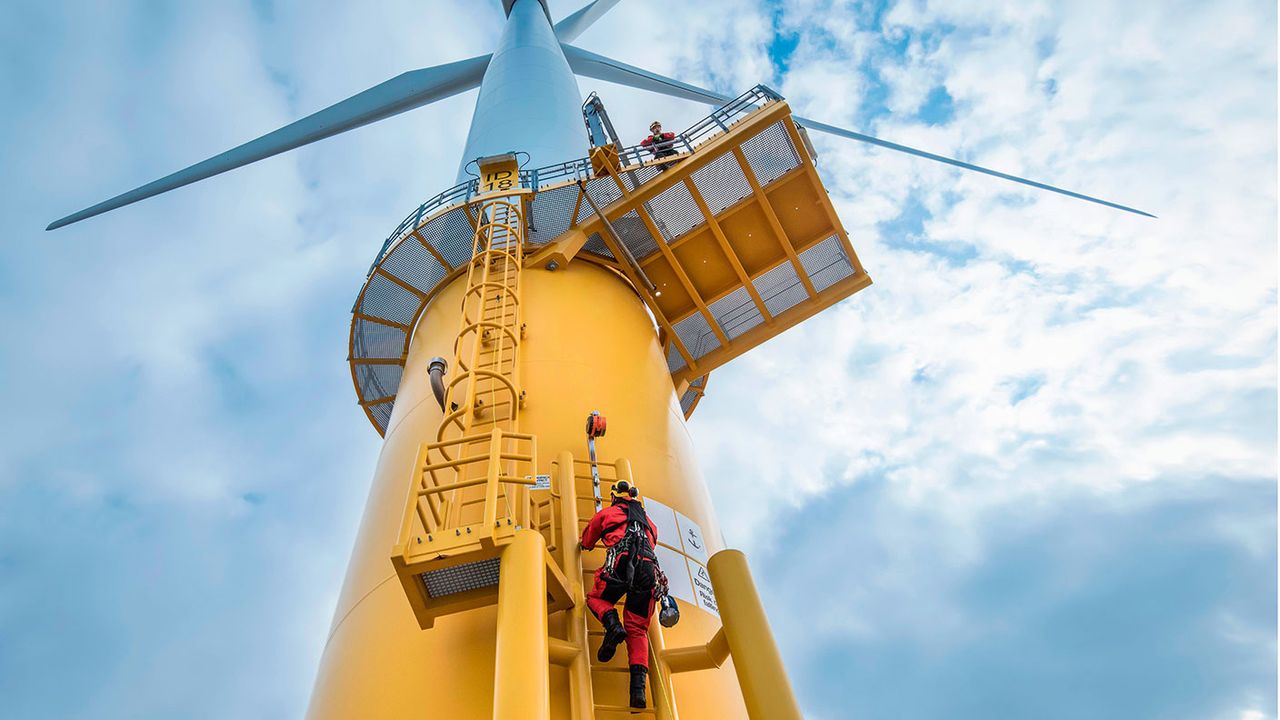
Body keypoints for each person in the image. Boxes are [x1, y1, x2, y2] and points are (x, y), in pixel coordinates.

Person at [580, 479, 661, 709]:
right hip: (648, 572)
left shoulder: (607, 514)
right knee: (637, 629)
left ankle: (613, 626)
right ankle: (638, 692)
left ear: (615, 496)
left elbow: (587, 540)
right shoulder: (650, 525)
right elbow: (652, 542)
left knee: (596, 599)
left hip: (620, 564)